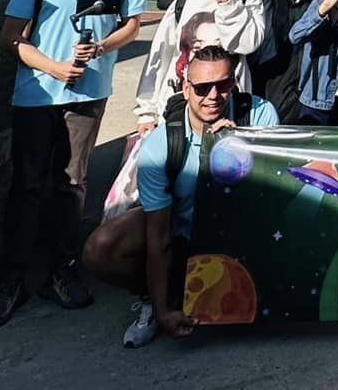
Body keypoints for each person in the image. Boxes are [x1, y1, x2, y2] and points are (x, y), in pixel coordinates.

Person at [0, 0, 147, 330]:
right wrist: (53, 67)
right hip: (38, 93)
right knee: (27, 186)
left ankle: (62, 269)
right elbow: (10, 35)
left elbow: (132, 24)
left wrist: (103, 47)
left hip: (88, 94)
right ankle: (11, 279)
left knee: (72, 184)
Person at [83, 45, 281, 349]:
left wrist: (237, 148)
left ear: (234, 83)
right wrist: (164, 310)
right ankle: (156, 297)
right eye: (202, 88)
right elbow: (158, 236)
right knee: (100, 249)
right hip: (182, 233)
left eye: (223, 85)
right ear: (186, 89)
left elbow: (276, 194)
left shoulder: (260, 115)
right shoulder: (161, 145)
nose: (213, 96)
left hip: (242, 231)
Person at [132, 0, 268, 126]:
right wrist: (147, 111)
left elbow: (248, 44)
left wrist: (229, 7)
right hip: (180, 100)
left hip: (227, 100)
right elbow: (162, 53)